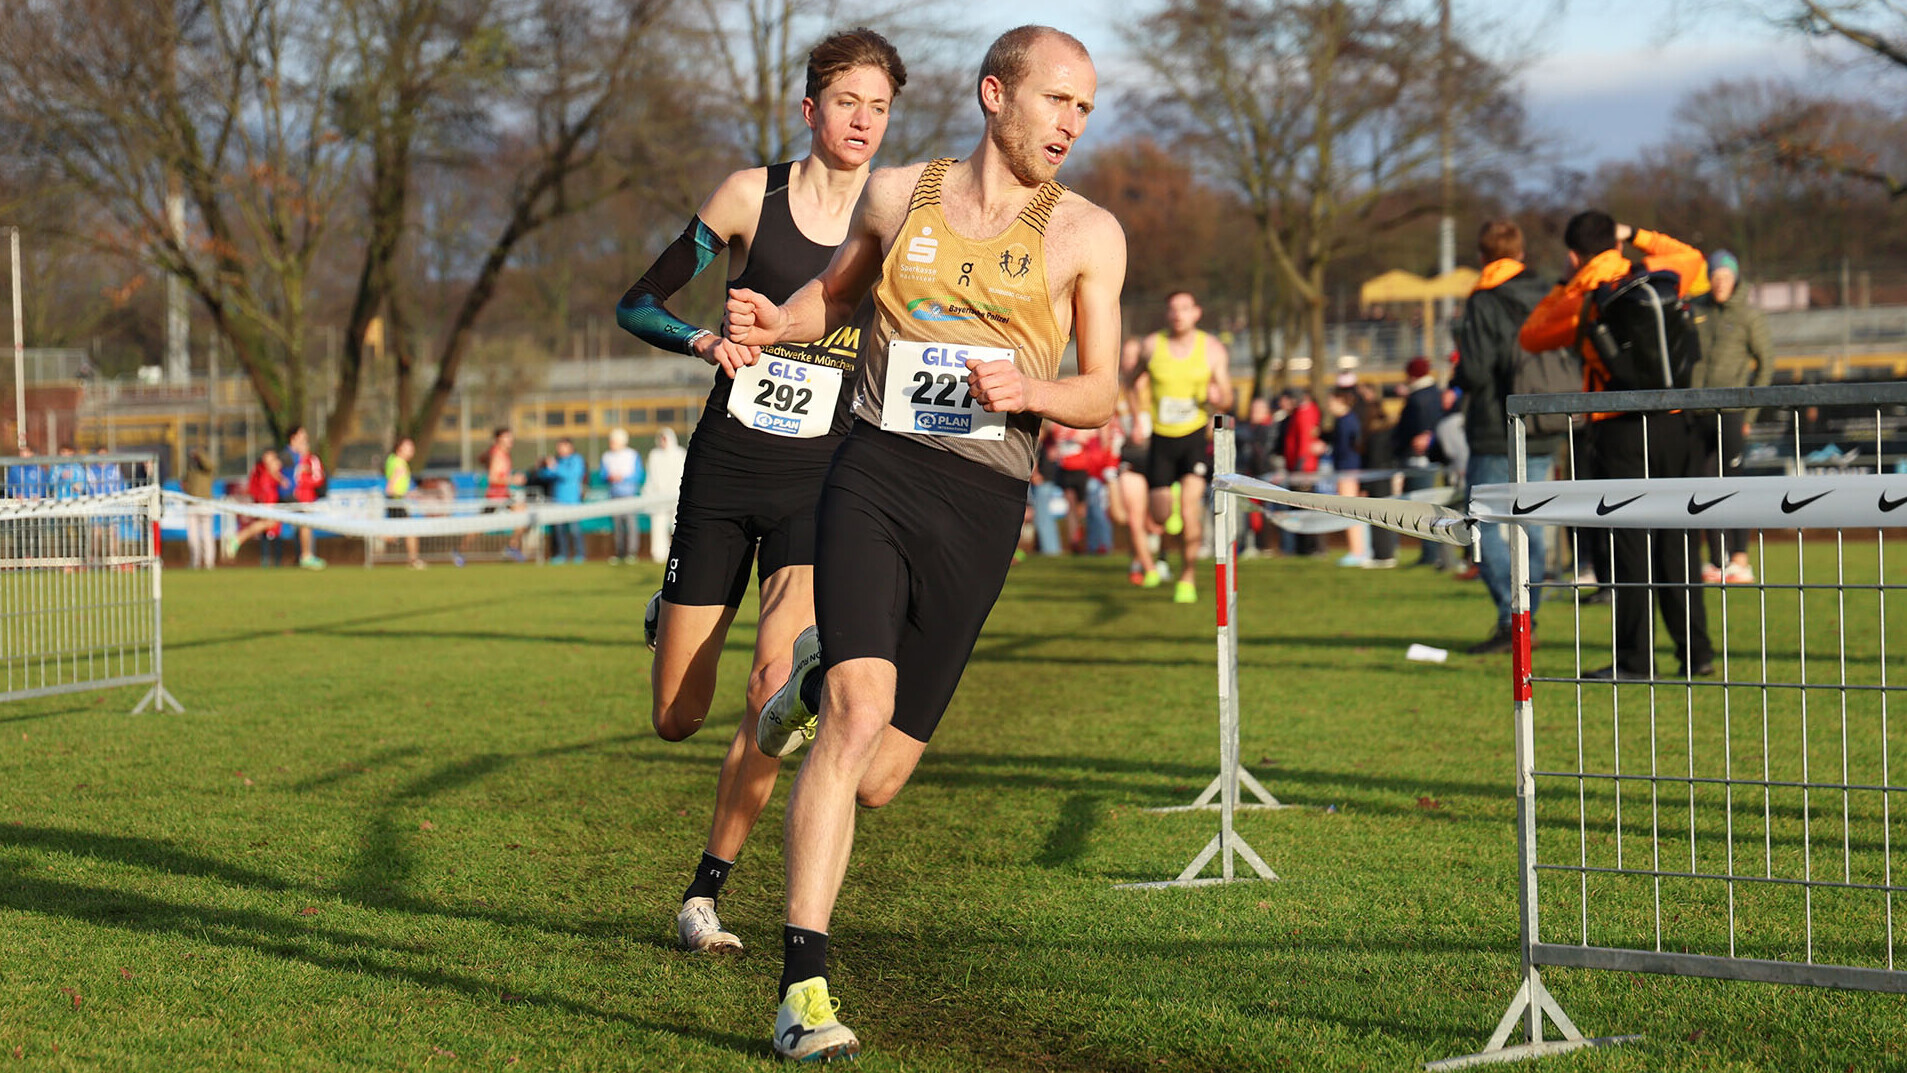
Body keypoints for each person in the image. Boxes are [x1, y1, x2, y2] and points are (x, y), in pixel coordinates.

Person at [726, 25, 1124, 1060]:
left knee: (879, 775)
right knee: (860, 714)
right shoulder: (897, 193)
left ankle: (811, 680)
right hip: (874, 468)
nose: (1071, 124)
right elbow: (836, 294)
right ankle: (801, 989)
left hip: (983, 503)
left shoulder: (1087, 234)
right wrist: (775, 321)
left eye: (1085, 108)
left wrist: (1031, 389)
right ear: (995, 95)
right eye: (1056, 100)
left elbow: (1101, 390)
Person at [613, 28, 906, 962]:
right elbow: (636, 302)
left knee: (772, 687)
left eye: (879, 108)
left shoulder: (898, 216)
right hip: (725, 469)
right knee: (676, 718)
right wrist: (705, 341)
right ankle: (668, 611)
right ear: (811, 108)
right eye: (847, 102)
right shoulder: (749, 197)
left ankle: (706, 890)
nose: (862, 122)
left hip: (821, 481)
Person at [1520, 211, 1713, 679]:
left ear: (1574, 255)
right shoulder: (1658, 275)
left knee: (1628, 543)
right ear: (1617, 241)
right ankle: (1697, 654)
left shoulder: (1582, 296)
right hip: (1675, 422)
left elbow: (1531, 335)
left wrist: (1566, 283)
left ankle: (1635, 659)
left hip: (1619, 428)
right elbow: (1694, 257)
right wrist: (1639, 235)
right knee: (1678, 542)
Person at [1451, 219, 1558, 653]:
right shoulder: (1548, 292)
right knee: (1530, 525)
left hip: (1496, 427)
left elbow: (1476, 370)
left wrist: (1457, 374)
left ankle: (1512, 619)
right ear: (1521, 253)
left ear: (1482, 257)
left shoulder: (1485, 299)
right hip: (1544, 422)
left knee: (1481, 523)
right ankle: (1528, 616)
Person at [1122, 291, 1232, 601]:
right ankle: (1169, 503)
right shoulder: (1151, 346)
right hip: (1161, 438)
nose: (1178, 314)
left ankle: (1188, 577)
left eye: (1184, 308)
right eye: (1172, 309)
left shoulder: (1211, 349)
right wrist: (1137, 419)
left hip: (1194, 437)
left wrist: (1218, 400)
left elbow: (1227, 396)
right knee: (1159, 516)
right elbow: (1129, 382)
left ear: (1196, 313)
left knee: (1189, 510)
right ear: (1166, 314)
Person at [1689, 248, 1772, 585]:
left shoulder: (1749, 315)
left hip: (1733, 414)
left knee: (1733, 482)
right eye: (1714, 276)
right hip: (1697, 414)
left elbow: (1766, 364)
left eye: (1725, 276)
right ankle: (1717, 560)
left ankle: (1740, 558)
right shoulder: (1696, 310)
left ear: (1735, 279)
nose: (1719, 282)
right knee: (1704, 484)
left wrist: (1750, 412)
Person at [225, 449, 286, 563]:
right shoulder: (261, 471)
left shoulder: (277, 471)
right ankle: (239, 538)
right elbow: (259, 488)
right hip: (266, 503)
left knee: (271, 526)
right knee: (268, 523)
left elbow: (282, 483)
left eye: (272, 459)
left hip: (277, 503)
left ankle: (239, 538)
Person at [280, 426, 327, 569]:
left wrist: (302, 479)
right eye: (302, 436)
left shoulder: (308, 459)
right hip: (289, 497)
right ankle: (305, 556)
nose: (305, 440)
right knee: (302, 525)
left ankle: (305, 555)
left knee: (304, 525)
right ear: (293, 438)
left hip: (304, 499)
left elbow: (318, 478)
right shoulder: (289, 456)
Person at [534, 437, 586, 562]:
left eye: (562, 446)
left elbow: (571, 475)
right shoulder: (556, 461)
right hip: (557, 502)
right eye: (558, 447)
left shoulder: (576, 460)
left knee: (575, 530)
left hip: (573, 502)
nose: (560, 449)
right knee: (558, 530)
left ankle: (580, 555)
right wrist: (544, 467)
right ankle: (562, 554)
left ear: (570, 447)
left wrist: (555, 467)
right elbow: (545, 475)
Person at [599, 428, 644, 564]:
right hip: (614, 495)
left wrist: (622, 477)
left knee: (631, 525)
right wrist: (609, 477)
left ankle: (632, 552)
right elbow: (602, 475)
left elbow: (639, 475)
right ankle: (620, 552)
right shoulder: (606, 456)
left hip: (629, 495)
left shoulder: (632, 455)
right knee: (617, 526)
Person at [643, 427, 685, 564]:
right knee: (658, 525)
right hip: (658, 498)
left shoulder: (680, 454)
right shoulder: (654, 455)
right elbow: (651, 477)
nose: (663, 441)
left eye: (665, 438)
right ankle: (659, 554)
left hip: (676, 497)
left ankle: (681, 553)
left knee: (678, 526)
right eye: (661, 438)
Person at [384, 436, 424, 569]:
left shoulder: (392, 460)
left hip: (395, 500)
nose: (411, 451)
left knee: (397, 534)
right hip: (396, 501)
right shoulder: (400, 464)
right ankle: (413, 560)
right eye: (408, 448)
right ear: (399, 448)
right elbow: (391, 488)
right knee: (409, 531)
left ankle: (413, 559)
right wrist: (403, 495)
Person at [182, 448, 218, 570]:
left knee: (207, 535)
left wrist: (199, 454)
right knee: (192, 536)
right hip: (191, 504)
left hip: (205, 503)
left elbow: (208, 465)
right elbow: (185, 481)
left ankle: (209, 562)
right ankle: (194, 562)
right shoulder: (190, 467)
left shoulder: (207, 467)